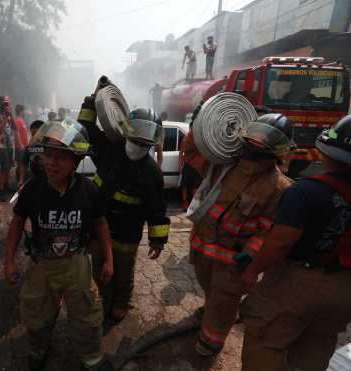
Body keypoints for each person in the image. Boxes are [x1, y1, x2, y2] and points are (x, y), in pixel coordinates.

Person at [240, 115, 351, 371]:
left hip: (298, 284)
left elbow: (280, 241)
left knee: (266, 341)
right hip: (344, 291)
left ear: (326, 152)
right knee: (318, 342)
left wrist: (252, 271)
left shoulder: (305, 192)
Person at [5, 119, 114, 371]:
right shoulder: (33, 188)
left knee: (88, 315)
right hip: (41, 263)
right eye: (47, 155)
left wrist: (109, 258)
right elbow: (17, 222)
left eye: (60, 157)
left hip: (76, 262)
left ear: (75, 161)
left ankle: (92, 358)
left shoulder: (88, 190)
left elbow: (101, 224)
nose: (51, 163)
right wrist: (9, 260)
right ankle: (38, 350)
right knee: (37, 312)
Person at [185, 113, 294, 356]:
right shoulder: (222, 163)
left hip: (233, 261)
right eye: (255, 135)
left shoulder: (279, 187)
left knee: (224, 301)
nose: (256, 142)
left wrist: (250, 254)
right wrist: (202, 123)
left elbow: (269, 229)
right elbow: (192, 153)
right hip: (202, 247)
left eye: (264, 139)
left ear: (278, 149)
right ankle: (211, 310)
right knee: (211, 290)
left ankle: (210, 342)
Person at [78, 83, 170, 322]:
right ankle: (103, 302)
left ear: (153, 140)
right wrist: (91, 99)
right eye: (137, 130)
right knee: (99, 268)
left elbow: (157, 209)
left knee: (124, 272)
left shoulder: (152, 174)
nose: (140, 138)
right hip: (100, 229)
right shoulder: (109, 149)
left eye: (147, 135)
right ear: (126, 128)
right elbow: (86, 126)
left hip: (129, 235)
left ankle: (120, 303)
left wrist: (157, 240)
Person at [0, 96, 16, 201]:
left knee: (9, 166)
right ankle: (0, 191)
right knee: (2, 169)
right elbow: (0, 128)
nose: (6, 106)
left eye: (8, 103)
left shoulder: (8, 114)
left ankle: (6, 185)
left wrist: (10, 114)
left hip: (9, 144)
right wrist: (6, 116)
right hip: (0, 145)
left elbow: (15, 127)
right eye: (4, 104)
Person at [18, 120, 45, 189]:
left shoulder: (51, 146)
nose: (34, 137)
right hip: (34, 178)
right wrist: (21, 180)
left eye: (36, 134)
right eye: (33, 134)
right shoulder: (30, 147)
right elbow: (24, 163)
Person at [15, 105, 30, 182]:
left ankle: (21, 179)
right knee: (21, 164)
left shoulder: (21, 120)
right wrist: (20, 144)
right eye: (24, 110)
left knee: (22, 163)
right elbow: (16, 132)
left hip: (24, 145)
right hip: (20, 146)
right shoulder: (17, 120)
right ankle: (19, 180)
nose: (25, 112)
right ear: (21, 111)